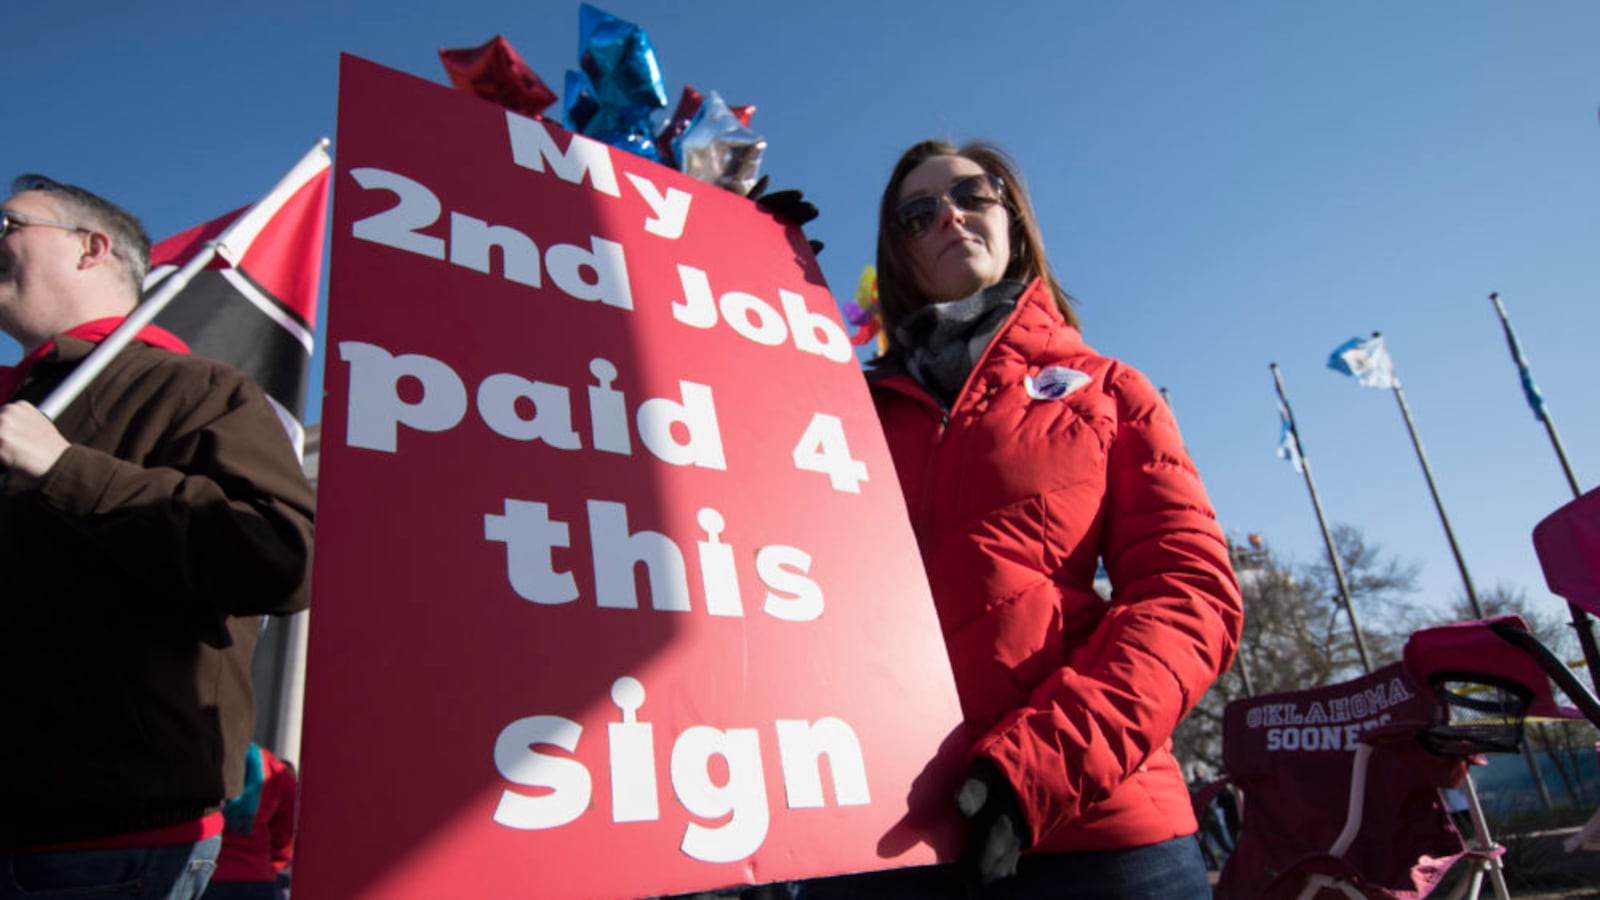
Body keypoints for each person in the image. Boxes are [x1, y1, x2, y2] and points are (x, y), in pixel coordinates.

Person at [804, 141, 1242, 899]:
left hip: (1098, 835)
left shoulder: (1109, 389)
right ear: (897, 255)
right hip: (878, 838)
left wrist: (1043, 764)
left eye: (975, 194)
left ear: (1012, 218)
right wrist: (747, 285)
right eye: (918, 212)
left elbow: (1191, 594)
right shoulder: (833, 404)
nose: (949, 214)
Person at [0, 175, 315, 899]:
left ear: (90, 248)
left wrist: (64, 468)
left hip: (103, 850)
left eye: (6, 223)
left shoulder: (200, 392)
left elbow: (278, 556)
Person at [202, 743, 298, 900]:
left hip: (208, 875)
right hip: (258, 878)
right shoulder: (274, 769)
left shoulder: (205, 757)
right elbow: (286, 835)